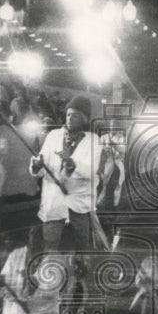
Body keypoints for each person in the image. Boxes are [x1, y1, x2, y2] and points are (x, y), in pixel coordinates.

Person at [29, 95, 102, 263]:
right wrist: (36, 166)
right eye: (68, 114)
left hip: (79, 207)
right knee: (50, 247)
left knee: (82, 249)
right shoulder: (53, 135)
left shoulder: (93, 141)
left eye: (75, 115)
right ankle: (51, 283)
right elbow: (42, 162)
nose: (70, 118)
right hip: (54, 202)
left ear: (84, 118)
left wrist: (71, 164)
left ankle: (80, 282)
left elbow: (91, 170)